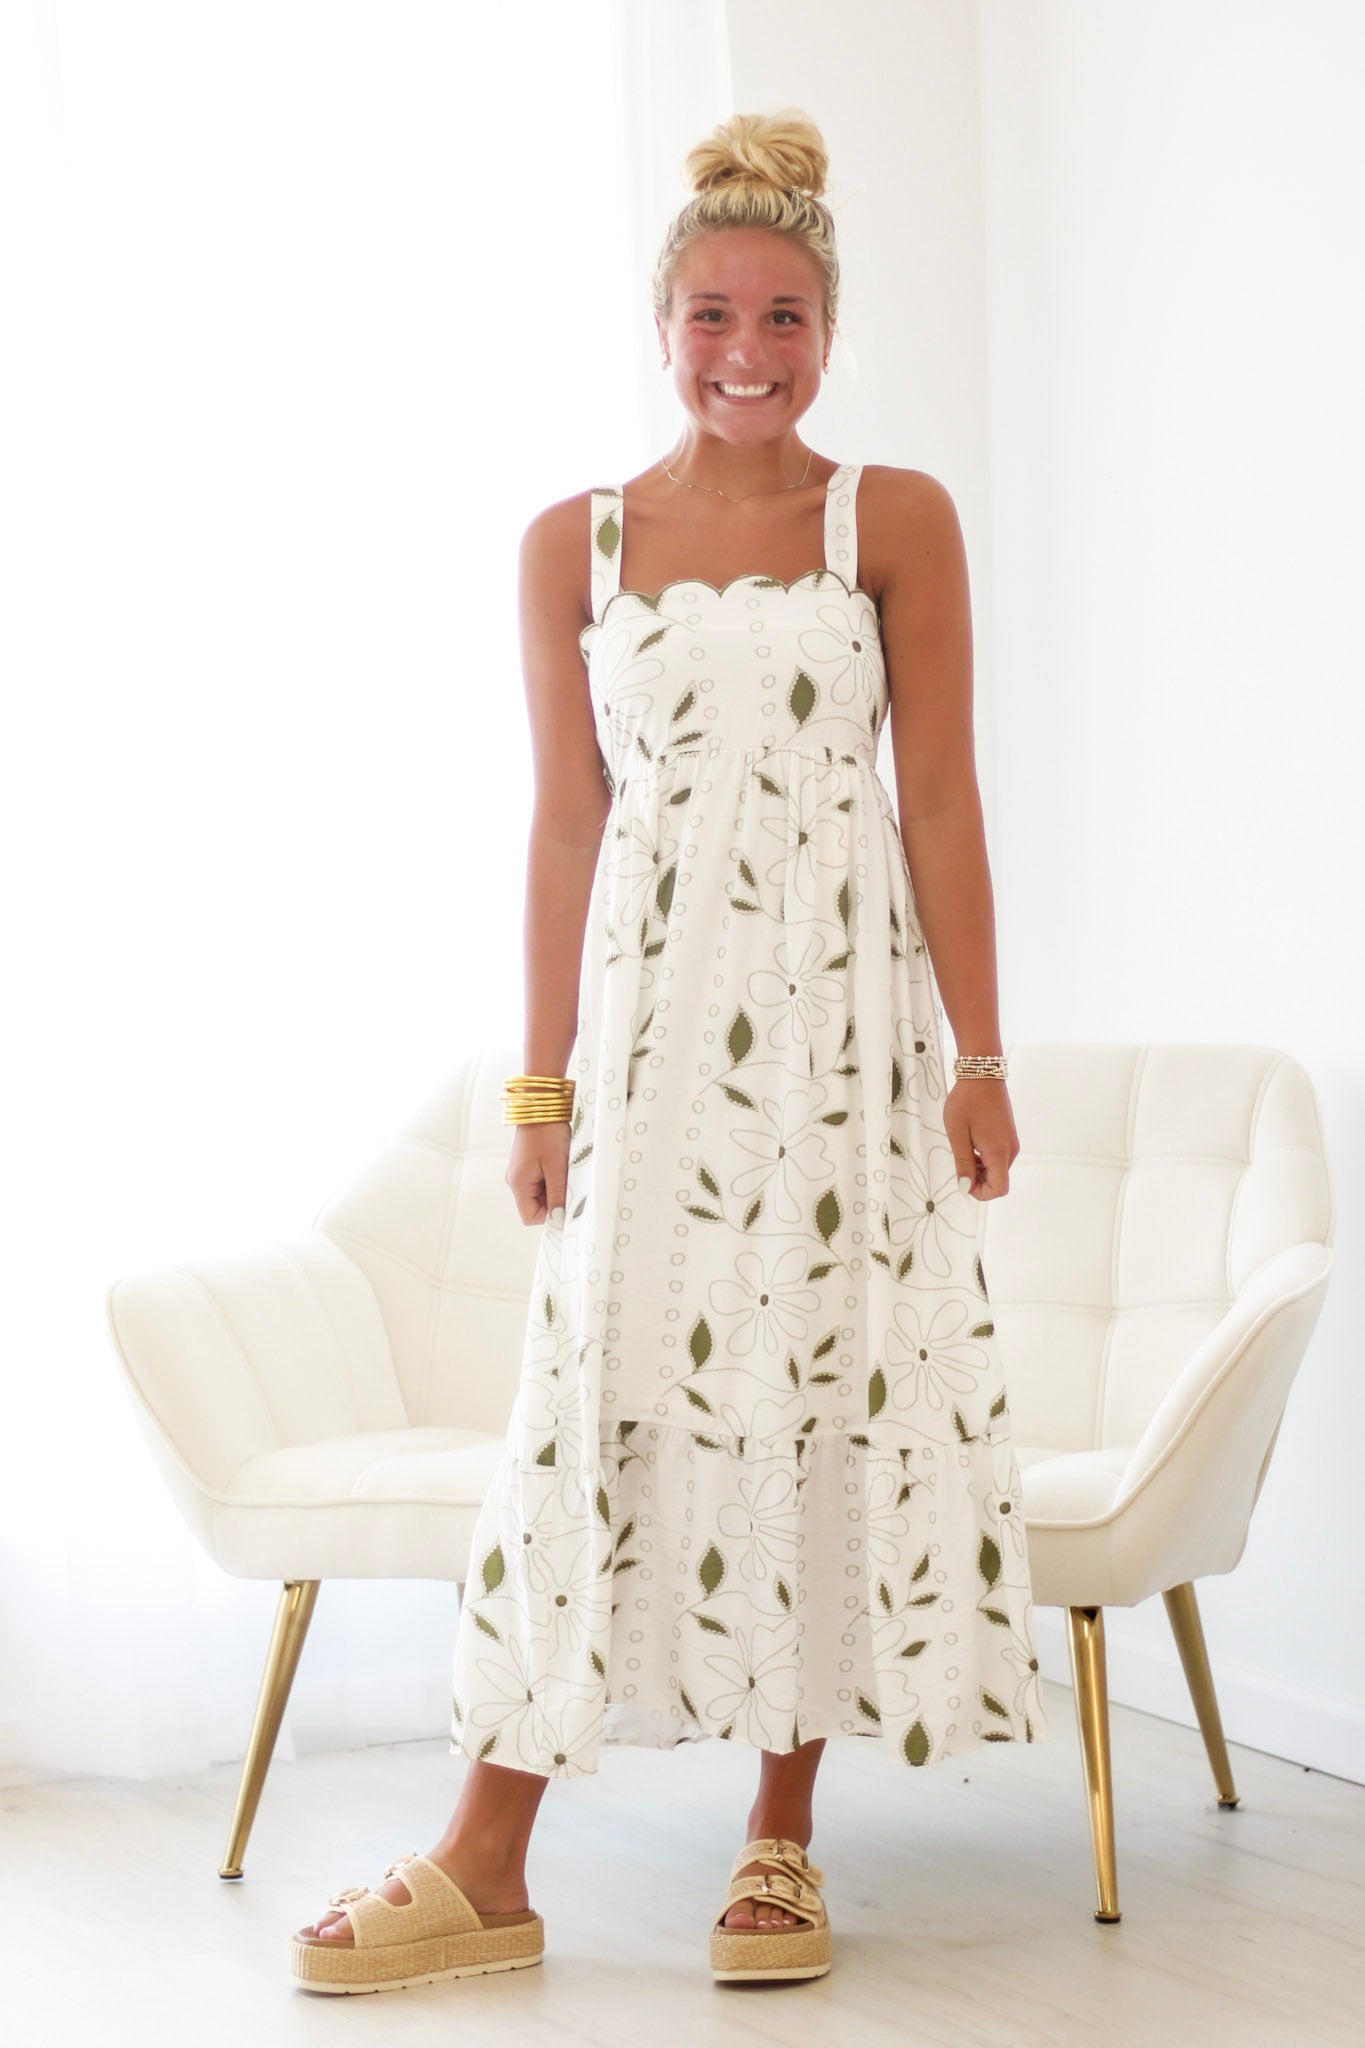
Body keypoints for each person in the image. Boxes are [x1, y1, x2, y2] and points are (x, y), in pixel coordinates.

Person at [291, 105, 1050, 1997]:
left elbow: (939, 801)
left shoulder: (892, 522)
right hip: (648, 1053)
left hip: (842, 1042)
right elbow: (566, 823)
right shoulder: (576, 543)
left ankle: (779, 1838)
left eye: (783, 316)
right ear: (661, 323)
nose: (746, 351)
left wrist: (977, 1057)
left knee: (814, 1383)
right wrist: (539, 1086)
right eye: (714, 313)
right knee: (592, 1394)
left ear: (827, 330)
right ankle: (486, 1859)